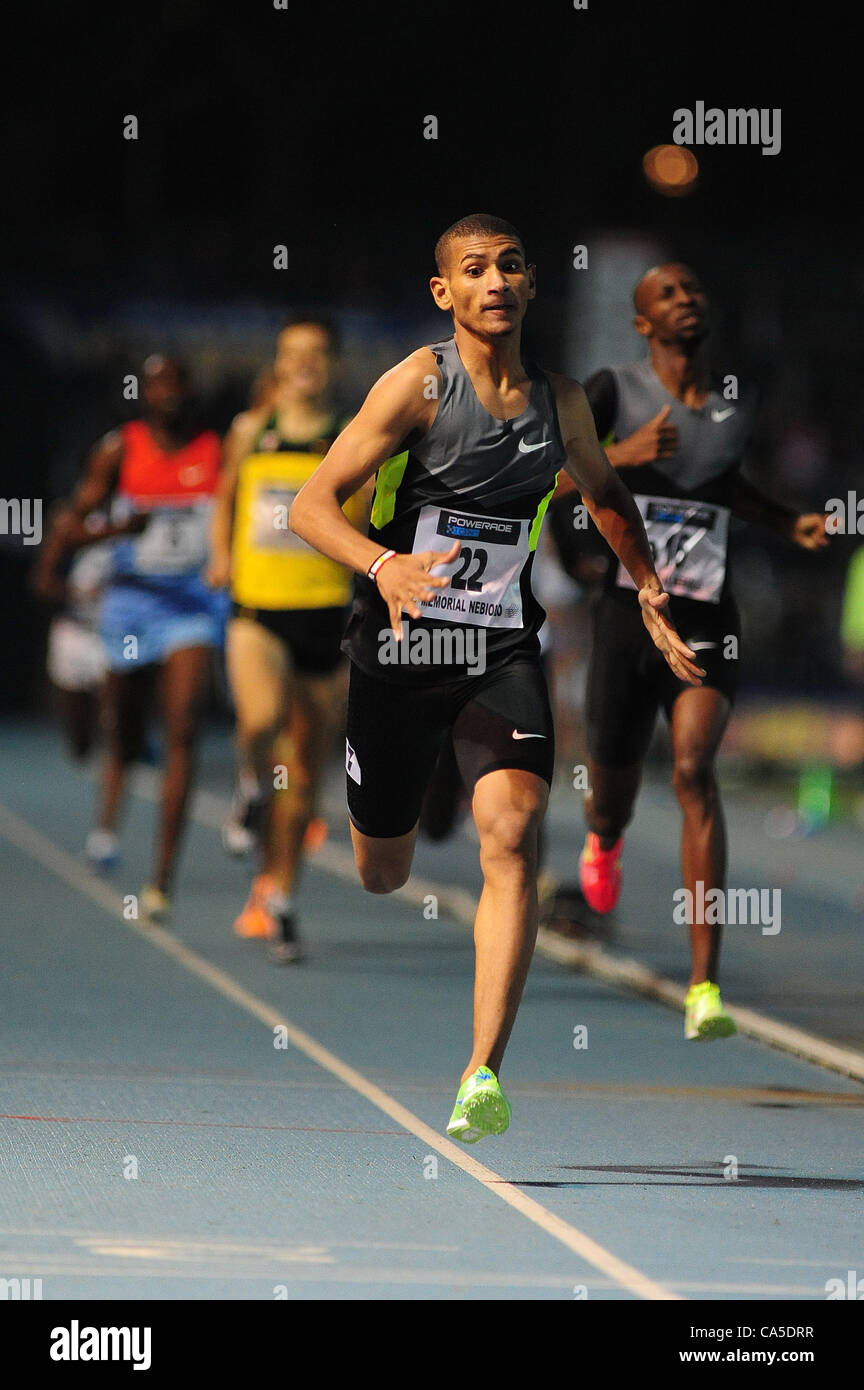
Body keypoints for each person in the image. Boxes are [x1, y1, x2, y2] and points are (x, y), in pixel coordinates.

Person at [289, 214, 702, 1141]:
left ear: (529, 284)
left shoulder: (560, 401)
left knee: (511, 840)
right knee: (381, 872)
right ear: (446, 292)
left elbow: (603, 492)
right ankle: (428, 769)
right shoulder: (419, 385)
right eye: (474, 270)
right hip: (398, 650)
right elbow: (309, 507)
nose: (496, 281)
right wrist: (382, 564)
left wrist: (647, 587)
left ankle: (482, 1073)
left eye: (511, 265)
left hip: (496, 646)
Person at [556, 263, 829, 1038]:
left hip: (707, 613)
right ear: (643, 323)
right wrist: (628, 455)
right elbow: (546, 480)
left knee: (691, 769)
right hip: (627, 616)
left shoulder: (734, 406)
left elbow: (722, 488)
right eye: (667, 294)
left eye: (693, 290)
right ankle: (602, 839)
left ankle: (704, 985)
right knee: (611, 789)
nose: (686, 299)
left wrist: (788, 522)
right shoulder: (611, 391)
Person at [207, 316, 368, 963]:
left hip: (325, 612)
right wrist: (220, 554)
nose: (306, 364)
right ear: (277, 364)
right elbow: (224, 500)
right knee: (261, 718)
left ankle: (280, 898)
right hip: (257, 605)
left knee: (304, 773)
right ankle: (250, 785)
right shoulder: (251, 430)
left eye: (318, 354)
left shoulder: (349, 436)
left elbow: (358, 516)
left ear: (330, 365)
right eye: (294, 354)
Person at [64, 354, 226, 920]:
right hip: (131, 605)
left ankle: (161, 879)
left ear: (189, 390)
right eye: (158, 385)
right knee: (126, 726)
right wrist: (114, 529)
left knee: (183, 727)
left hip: (191, 607)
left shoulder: (215, 451)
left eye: (178, 382)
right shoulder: (119, 450)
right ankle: (106, 828)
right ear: (144, 394)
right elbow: (70, 527)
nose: (169, 394)